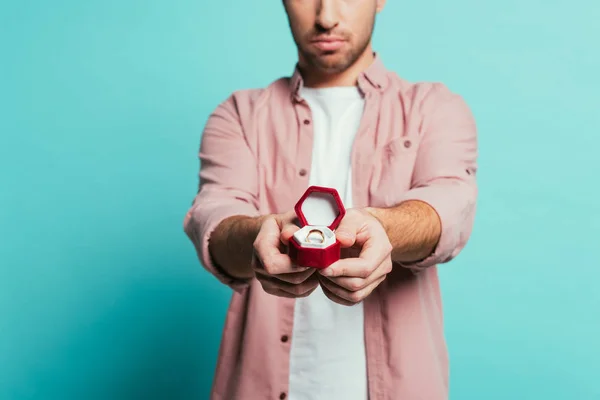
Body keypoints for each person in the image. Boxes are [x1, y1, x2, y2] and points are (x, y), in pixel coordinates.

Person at [183, 0, 478, 398]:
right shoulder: (239, 115)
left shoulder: (434, 108)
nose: (326, 17)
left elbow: (449, 206)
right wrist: (261, 236)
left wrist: (382, 229)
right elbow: (216, 216)